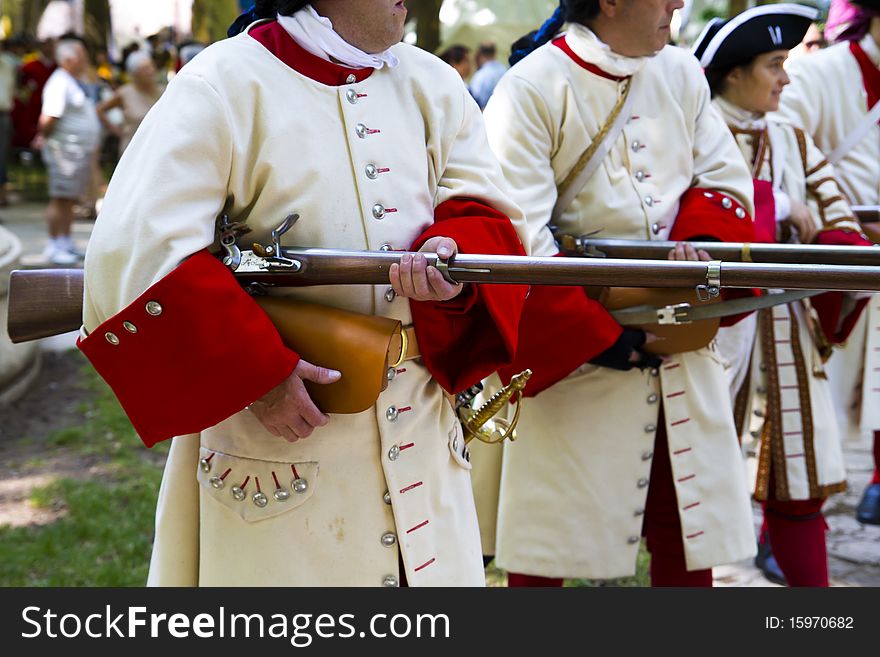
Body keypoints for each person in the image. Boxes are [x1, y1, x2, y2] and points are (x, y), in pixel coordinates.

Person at [77, 0, 529, 587]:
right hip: (277, 449)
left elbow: (487, 212)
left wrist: (453, 254)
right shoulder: (223, 82)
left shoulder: (433, 82)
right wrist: (257, 374)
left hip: (422, 440)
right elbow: (134, 251)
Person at [482, 0, 758, 587]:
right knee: (544, 542)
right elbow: (518, 234)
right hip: (576, 349)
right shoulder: (531, 87)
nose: (678, 4)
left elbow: (723, 180)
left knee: (689, 534)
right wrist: (606, 338)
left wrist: (698, 258)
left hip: (682, 334)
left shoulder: (681, 72)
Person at [694, 3, 872, 587]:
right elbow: (684, 224)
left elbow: (838, 223)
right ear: (733, 74)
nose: (787, 78)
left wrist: (817, 229)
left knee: (800, 487)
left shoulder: (792, 138)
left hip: (784, 329)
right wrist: (780, 214)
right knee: (688, 500)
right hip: (708, 334)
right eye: (774, 65)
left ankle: (812, 624)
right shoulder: (692, 133)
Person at [775, 0, 880, 527]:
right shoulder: (821, 73)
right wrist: (845, 226)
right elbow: (778, 156)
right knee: (809, 410)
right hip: (834, 264)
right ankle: (785, 523)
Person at [35, 38, 103, 264]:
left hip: (76, 151)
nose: (86, 60)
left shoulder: (72, 80)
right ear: (69, 59)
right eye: (82, 55)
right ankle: (54, 245)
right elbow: (48, 118)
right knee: (61, 198)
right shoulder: (59, 82)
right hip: (64, 151)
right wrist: (44, 138)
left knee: (69, 198)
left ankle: (65, 241)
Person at [96, 51, 162, 156]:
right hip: (132, 151)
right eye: (144, 69)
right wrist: (117, 132)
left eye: (151, 67)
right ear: (135, 74)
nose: (150, 71)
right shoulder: (125, 93)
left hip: (157, 149)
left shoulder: (163, 91)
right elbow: (100, 110)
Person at [469, 42, 506, 109]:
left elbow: (474, 101)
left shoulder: (480, 76)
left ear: (480, 54)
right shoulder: (504, 70)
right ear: (495, 52)